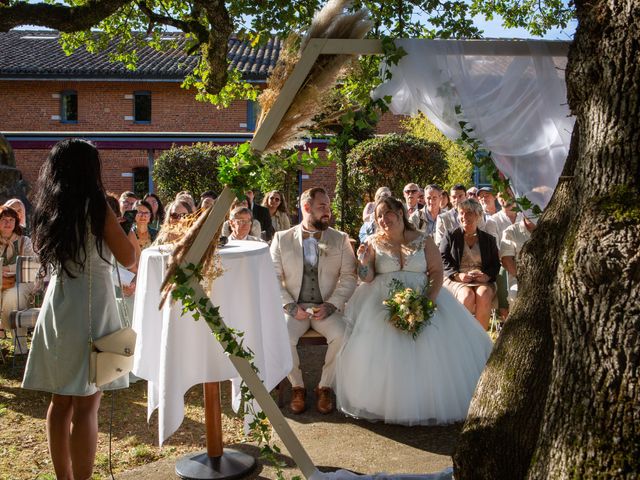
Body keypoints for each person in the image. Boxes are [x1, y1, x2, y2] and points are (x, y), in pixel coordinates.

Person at [22, 139, 136, 480]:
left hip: (58, 307)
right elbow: (127, 257)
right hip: (92, 306)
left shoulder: (47, 206)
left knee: (60, 402)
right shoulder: (96, 205)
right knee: (87, 403)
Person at [336, 196, 492, 425]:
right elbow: (367, 278)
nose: (383, 219)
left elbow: (437, 272)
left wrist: (428, 301)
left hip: (424, 297)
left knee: (432, 346)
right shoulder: (372, 242)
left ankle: (429, 400)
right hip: (383, 302)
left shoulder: (423, 239)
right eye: (379, 216)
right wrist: (364, 262)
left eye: (387, 213)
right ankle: (387, 403)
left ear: (400, 212)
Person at [270, 187, 356, 415]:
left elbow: (349, 277)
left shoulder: (341, 239)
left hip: (326, 307)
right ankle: (297, 386)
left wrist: (331, 305)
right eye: (322, 206)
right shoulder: (281, 239)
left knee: (342, 333)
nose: (328, 211)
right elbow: (273, 278)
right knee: (283, 336)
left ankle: (324, 386)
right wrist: (289, 305)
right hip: (294, 307)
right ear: (306, 207)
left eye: (328, 206)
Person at [440, 199, 501, 329]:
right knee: (467, 296)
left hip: (482, 280)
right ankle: (463, 339)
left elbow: (495, 264)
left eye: (469, 213)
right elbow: (442, 259)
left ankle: (481, 340)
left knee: (484, 294)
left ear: (478, 215)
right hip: (456, 279)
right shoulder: (450, 236)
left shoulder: (489, 239)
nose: (464, 216)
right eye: (461, 213)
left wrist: (487, 276)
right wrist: (457, 275)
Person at [0, 205, 35, 353]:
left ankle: (5, 329)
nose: (8, 223)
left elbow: (30, 262)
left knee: (14, 296)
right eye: (3, 219)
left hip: (22, 282)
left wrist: (7, 269)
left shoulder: (24, 241)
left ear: (16, 222)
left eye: (11, 219)